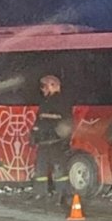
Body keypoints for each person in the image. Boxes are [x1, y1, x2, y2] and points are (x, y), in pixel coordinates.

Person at [30, 74, 72, 203]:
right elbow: (39, 121)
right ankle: (40, 193)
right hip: (44, 141)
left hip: (56, 142)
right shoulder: (45, 102)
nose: (42, 89)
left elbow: (67, 123)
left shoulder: (62, 101)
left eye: (44, 86)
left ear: (53, 85)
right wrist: (33, 135)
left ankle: (63, 195)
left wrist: (64, 140)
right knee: (40, 169)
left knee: (59, 169)